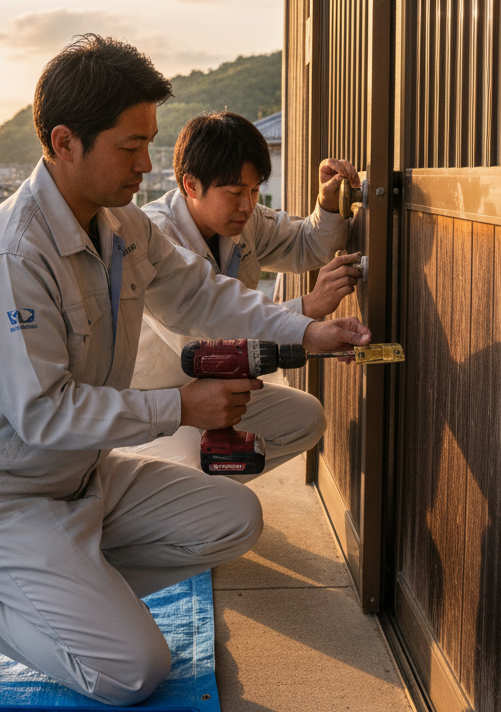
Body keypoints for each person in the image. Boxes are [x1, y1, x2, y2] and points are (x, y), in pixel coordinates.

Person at [0, 34, 371, 705]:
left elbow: (204, 295)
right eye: (131, 146)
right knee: (131, 673)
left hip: (82, 474)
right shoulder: (9, 259)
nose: (145, 163)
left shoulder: (123, 223)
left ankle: (70, 587)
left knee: (234, 519)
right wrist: (181, 408)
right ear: (65, 142)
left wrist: (309, 330)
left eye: (149, 142)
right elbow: (42, 414)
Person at [127, 110, 362, 473]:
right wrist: (307, 314)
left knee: (306, 418)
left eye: (254, 190)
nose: (247, 205)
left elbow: (304, 243)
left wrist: (328, 205)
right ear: (191, 185)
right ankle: (169, 479)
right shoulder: (157, 234)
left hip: (219, 387)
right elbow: (201, 330)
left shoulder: (243, 220)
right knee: (195, 483)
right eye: (236, 192)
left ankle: (209, 491)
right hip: (161, 399)